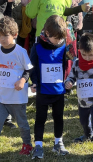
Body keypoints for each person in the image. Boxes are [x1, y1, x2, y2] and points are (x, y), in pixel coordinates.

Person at [0, 17, 33, 161]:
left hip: (17, 98)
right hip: (1, 97)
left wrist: (23, 80)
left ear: (14, 35)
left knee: (22, 124)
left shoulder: (20, 52)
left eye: (5, 35)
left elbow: (29, 70)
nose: (2, 39)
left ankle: (27, 145)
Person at [28, 16, 70, 158]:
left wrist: (68, 81)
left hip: (58, 91)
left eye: (60, 38)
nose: (58, 41)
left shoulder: (64, 46)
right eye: (56, 38)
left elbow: (66, 65)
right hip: (43, 91)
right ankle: (38, 145)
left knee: (58, 117)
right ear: (47, 33)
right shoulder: (37, 47)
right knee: (41, 118)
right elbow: (32, 66)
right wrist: (34, 82)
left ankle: (58, 143)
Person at [65, 33, 93, 162]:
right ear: (80, 52)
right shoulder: (77, 63)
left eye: (91, 55)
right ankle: (87, 134)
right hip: (83, 100)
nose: (88, 58)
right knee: (84, 121)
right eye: (84, 55)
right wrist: (69, 82)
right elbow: (72, 76)